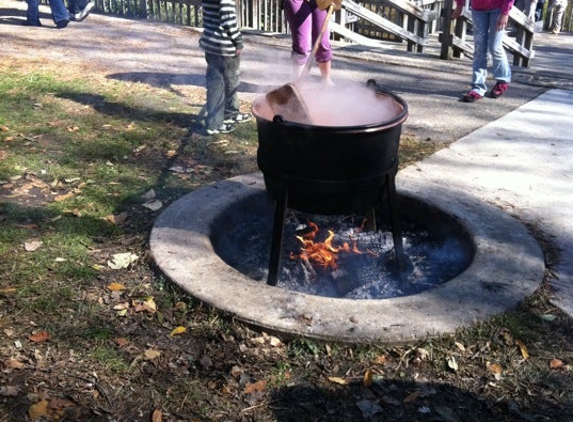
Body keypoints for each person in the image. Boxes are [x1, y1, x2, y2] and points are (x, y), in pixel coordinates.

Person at [199, 0, 252, 135]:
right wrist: (238, 42)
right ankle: (214, 125)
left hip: (211, 44)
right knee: (217, 85)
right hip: (224, 48)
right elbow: (228, 21)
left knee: (230, 80)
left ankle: (231, 113)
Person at [452, 0, 514, 102]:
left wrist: (505, 12)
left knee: (495, 47)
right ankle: (478, 88)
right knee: (479, 49)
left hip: (498, 7)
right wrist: (459, 5)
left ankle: (503, 80)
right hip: (478, 9)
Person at [283, 0, 334, 85]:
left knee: (322, 43)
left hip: (319, 2)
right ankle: (298, 85)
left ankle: (326, 81)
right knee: (302, 46)